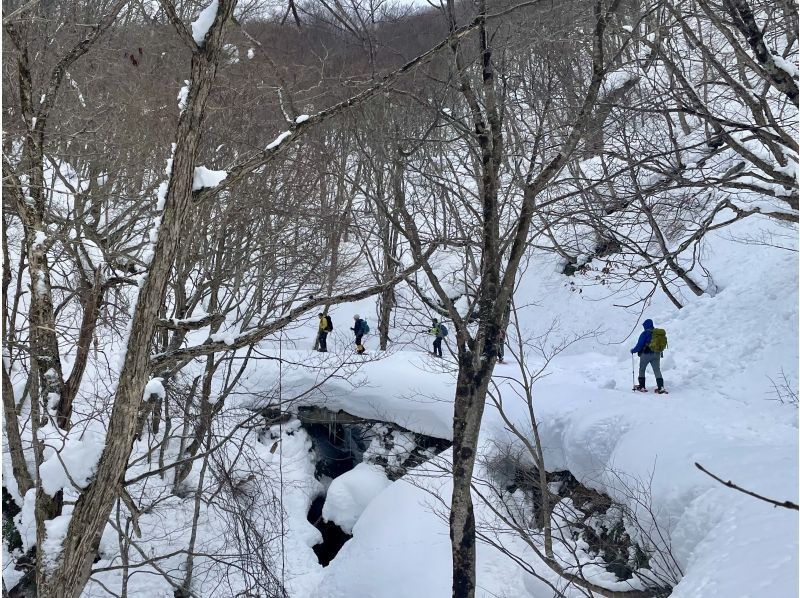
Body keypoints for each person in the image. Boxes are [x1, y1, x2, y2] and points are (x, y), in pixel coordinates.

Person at [630, 318, 666, 393]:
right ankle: (661, 387)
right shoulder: (657, 333)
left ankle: (642, 386)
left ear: (646, 325)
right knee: (657, 370)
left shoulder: (645, 333)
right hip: (657, 353)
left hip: (646, 354)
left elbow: (639, 345)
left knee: (642, 369)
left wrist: (633, 350)